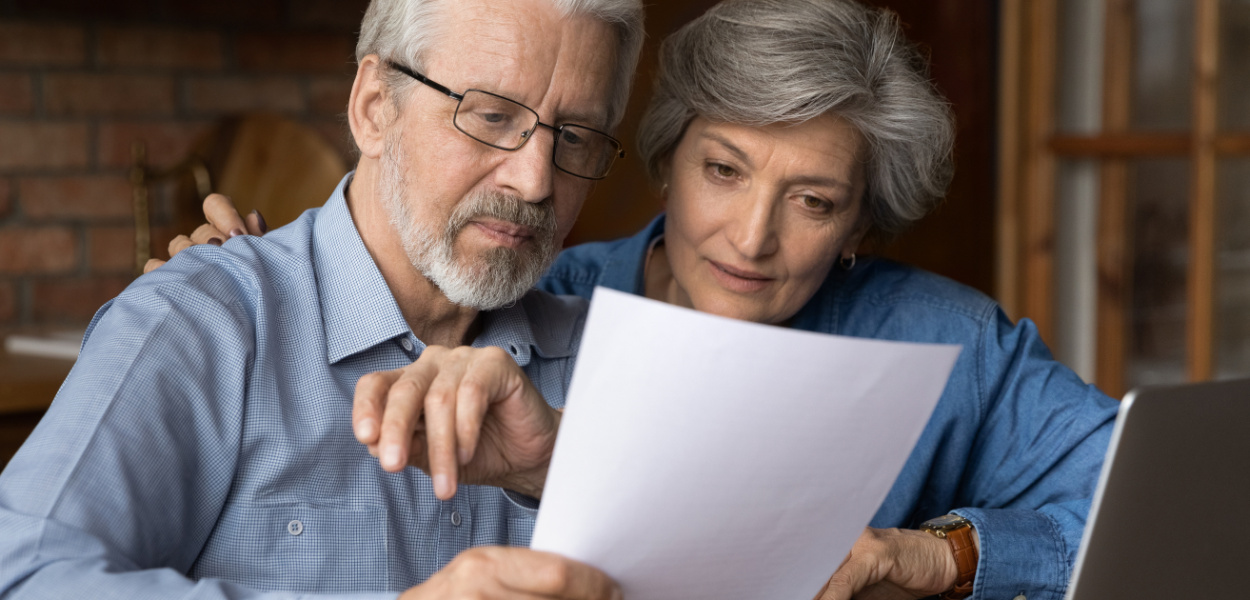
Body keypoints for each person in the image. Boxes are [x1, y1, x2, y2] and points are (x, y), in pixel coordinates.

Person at [151, 1, 1114, 599]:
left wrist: (938, 558)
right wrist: (264, 279)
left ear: (863, 223)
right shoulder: (537, 295)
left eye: (814, 201)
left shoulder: (951, 343)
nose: (751, 237)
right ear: (663, 163)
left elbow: (1159, 507)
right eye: (724, 171)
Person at [0, 0, 644, 598]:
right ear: (373, 107)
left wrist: (562, 467)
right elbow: (24, 577)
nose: (534, 181)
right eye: (492, 115)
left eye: (575, 136)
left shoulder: (615, 360)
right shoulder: (202, 322)